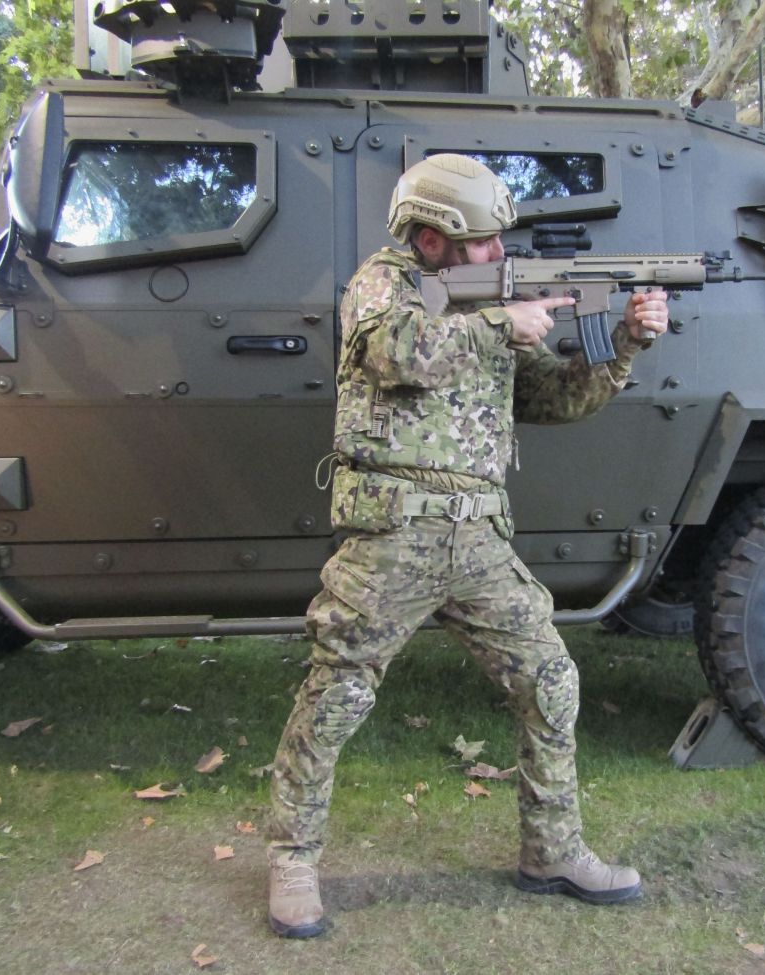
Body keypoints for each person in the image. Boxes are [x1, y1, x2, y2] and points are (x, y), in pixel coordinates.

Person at [267, 153, 669, 938]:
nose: (499, 255)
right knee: (337, 693)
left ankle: (551, 850)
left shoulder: (490, 306)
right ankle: (291, 858)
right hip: (391, 534)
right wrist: (496, 322)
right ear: (430, 238)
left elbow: (553, 397)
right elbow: (397, 353)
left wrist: (622, 342)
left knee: (551, 680)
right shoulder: (381, 284)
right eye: (485, 243)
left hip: (478, 537)